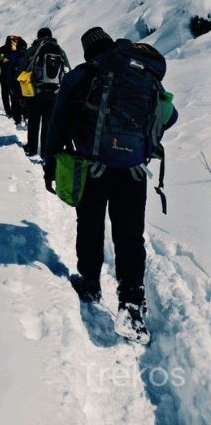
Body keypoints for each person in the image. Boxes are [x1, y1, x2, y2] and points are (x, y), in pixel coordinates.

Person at [44, 27, 178, 343]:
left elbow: (58, 121)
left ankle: (90, 282)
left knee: (90, 223)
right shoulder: (144, 75)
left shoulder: (83, 75)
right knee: (129, 234)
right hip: (133, 170)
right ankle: (131, 303)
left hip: (92, 166)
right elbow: (170, 116)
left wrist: (51, 165)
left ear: (88, 50)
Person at [20, 27, 70, 157]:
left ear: (38, 36)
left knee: (34, 121)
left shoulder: (34, 49)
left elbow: (23, 69)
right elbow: (67, 70)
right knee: (48, 123)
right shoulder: (59, 50)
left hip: (36, 91)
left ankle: (32, 149)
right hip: (54, 93)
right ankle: (45, 152)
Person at [0, 35, 27, 124]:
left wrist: (2, 58)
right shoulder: (17, 49)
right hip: (16, 76)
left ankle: (9, 113)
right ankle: (16, 114)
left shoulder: (2, 49)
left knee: (5, 94)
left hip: (4, 76)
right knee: (15, 96)